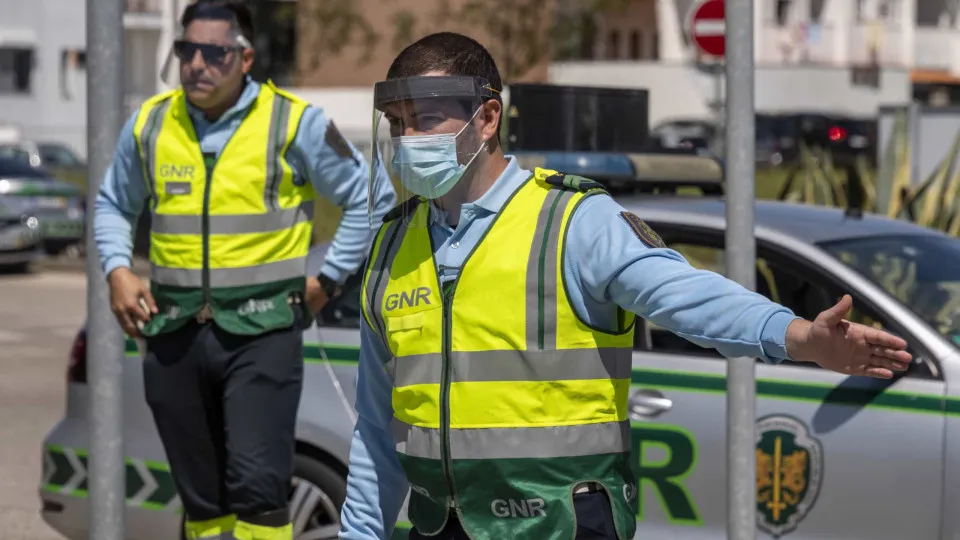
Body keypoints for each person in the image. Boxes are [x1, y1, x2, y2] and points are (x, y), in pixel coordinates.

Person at [338, 32, 912, 540]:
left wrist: (799, 337)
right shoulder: (392, 246)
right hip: (442, 526)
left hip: (558, 523)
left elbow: (686, 297)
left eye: (427, 119)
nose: (408, 138)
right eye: (398, 123)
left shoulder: (571, 221)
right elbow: (375, 425)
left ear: (487, 118)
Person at [92, 1, 396, 539]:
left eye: (216, 52)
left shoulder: (294, 124)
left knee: (259, 490)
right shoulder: (151, 124)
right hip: (173, 333)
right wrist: (118, 269)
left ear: (246, 57)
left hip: (262, 333)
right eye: (188, 50)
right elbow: (113, 204)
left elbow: (372, 197)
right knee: (201, 498)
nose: (198, 64)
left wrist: (329, 280)